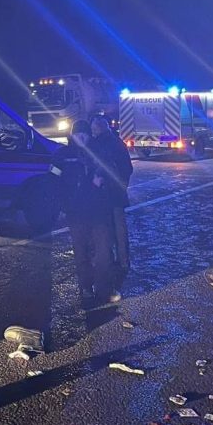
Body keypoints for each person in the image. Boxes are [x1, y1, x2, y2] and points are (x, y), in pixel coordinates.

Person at [51, 120, 114, 304]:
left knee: (103, 253)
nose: (81, 138)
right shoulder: (63, 155)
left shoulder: (98, 152)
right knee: (81, 252)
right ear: (73, 135)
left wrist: (102, 179)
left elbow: (111, 172)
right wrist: (61, 205)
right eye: (78, 135)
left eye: (84, 135)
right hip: (75, 212)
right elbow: (53, 181)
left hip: (98, 212)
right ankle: (86, 287)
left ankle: (103, 288)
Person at [89, 115, 133, 301]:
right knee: (119, 229)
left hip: (104, 195)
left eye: (94, 129)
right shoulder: (117, 143)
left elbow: (96, 168)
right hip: (117, 194)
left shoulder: (97, 144)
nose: (93, 132)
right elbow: (128, 169)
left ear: (98, 128)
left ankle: (109, 260)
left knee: (106, 229)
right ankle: (123, 261)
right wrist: (122, 185)